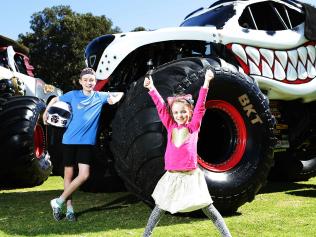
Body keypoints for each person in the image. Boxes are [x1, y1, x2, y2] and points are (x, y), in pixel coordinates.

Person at [143, 69, 232, 237]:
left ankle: (227, 235)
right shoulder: (170, 126)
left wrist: (206, 82)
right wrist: (151, 88)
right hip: (172, 177)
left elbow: (200, 106)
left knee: (209, 209)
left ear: (190, 112)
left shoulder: (193, 127)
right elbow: (161, 108)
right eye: (176, 112)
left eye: (183, 112)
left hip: (191, 178)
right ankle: (146, 235)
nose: (179, 115)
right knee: (159, 208)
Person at [43, 67, 123, 221]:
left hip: (86, 143)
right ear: (80, 82)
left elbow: (120, 93)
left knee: (84, 175)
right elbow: (55, 99)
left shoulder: (100, 96)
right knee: (68, 175)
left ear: (95, 82)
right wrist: (47, 111)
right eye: (85, 80)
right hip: (69, 141)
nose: (88, 82)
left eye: (91, 80)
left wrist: (114, 99)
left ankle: (58, 201)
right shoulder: (73, 95)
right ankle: (69, 209)